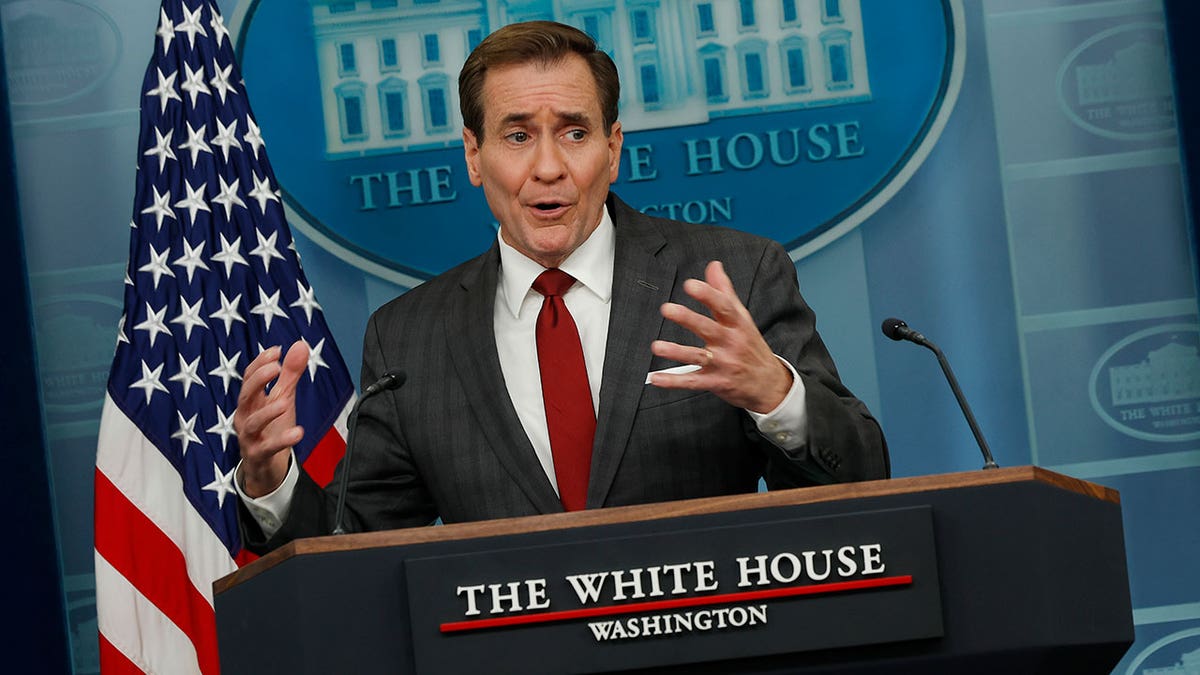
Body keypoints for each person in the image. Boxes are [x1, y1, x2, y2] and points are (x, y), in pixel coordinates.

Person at [233, 21, 887, 551]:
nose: (548, 167)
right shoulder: (409, 338)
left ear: (613, 146)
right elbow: (352, 552)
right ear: (472, 154)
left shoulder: (729, 279)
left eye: (574, 132)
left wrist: (777, 394)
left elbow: (862, 476)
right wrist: (272, 481)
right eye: (517, 136)